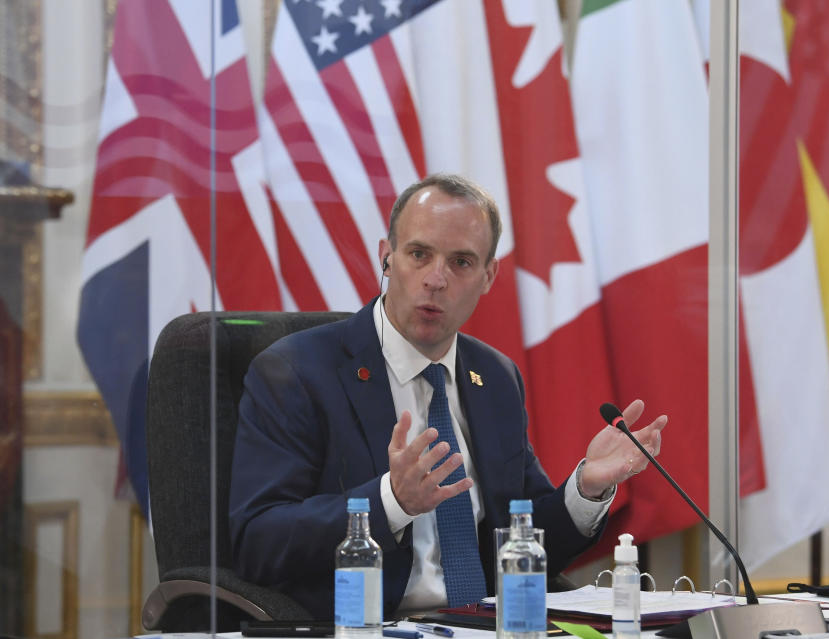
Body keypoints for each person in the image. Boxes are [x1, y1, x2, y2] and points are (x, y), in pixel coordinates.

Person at [229, 174, 667, 619]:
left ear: (488, 276)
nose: (436, 279)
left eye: (460, 262)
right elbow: (258, 542)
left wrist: (587, 487)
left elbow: (528, 540)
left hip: (485, 626)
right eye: (419, 255)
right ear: (386, 257)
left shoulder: (495, 377)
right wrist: (391, 502)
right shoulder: (298, 370)